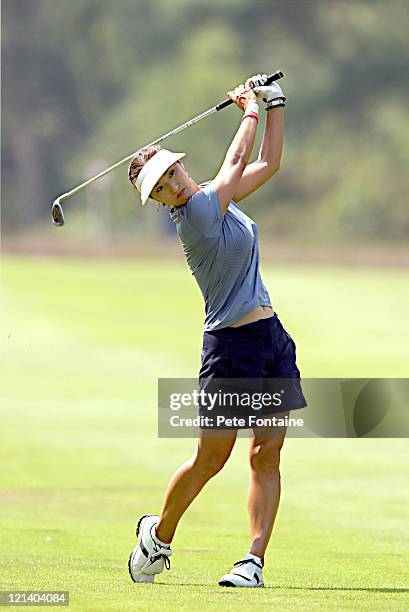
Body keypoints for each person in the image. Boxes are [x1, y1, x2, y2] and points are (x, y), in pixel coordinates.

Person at [127, 74, 306, 587]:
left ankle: (253, 561)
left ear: (179, 164)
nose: (170, 185)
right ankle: (158, 536)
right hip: (229, 350)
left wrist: (274, 104)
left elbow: (267, 164)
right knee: (212, 458)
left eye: (169, 173)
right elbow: (233, 163)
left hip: (271, 340)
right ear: (159, 200)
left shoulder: (212, 197)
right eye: (159, 188)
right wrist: (248, 110)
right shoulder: (197, 215)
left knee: (266, 453)